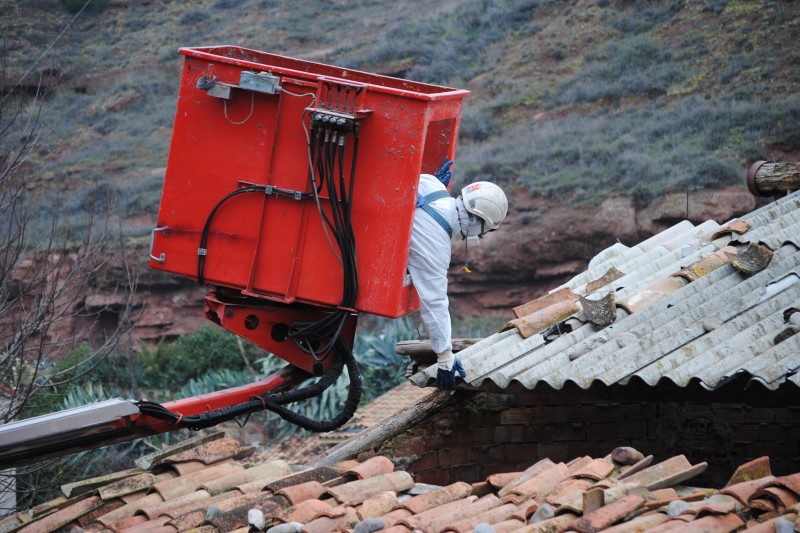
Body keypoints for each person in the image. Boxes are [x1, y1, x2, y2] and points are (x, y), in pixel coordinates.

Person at [408, 159, 508, 389]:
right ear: (476, 220)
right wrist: (444, 356)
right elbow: (435, 304)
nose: (480, 237)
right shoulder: (436, 246)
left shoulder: (432, 182)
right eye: (484, 231)